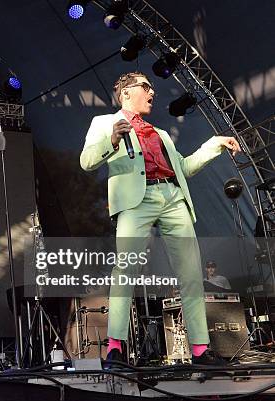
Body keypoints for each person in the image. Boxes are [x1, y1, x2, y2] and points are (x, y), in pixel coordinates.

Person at [79, 71, 241, 366]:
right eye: (145, 86)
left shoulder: (161, 134)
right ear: (126, 92)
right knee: (125, 269)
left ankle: (200, 350)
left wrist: (214, 144)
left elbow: (184, 168)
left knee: (191, 272)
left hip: (172, 198)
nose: (152, 91)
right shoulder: (104, 123)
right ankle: (115, 346)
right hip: (134, 201)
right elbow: (87, 161)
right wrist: (112, 141)